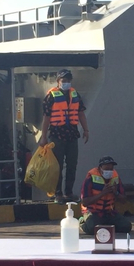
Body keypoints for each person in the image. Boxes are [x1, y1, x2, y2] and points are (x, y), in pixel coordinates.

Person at [38, 69, 89, 203]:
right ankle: (58, 193)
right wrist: (43, 137)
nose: (66, 83)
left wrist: (86, 130)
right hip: (56, 134)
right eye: (64, 81)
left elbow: (81, 113)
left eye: (68, 81)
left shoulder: (75, 94)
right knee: (57, 165)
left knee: (72, 164)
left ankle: (69, 192)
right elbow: (46, 117)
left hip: (72, 133)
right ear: (58, 81)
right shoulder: (51, 96)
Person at [79, 156, 132, 235]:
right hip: (93, 212)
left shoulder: (115, 178)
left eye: (111, 169)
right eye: (106, 169)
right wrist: (102, 193)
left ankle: (104, 225)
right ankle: (82, 221)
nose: (109, 171)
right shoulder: (91, 178)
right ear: (100, 168)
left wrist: (115, 192)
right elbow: (85, 202)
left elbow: (124, 200)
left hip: (109, 212)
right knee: (91, 229)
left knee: (126, 226)